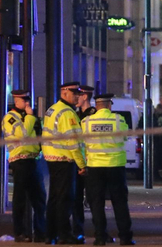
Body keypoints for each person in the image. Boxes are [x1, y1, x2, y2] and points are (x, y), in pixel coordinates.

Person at [83, 94, 135, 246]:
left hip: (95, 167)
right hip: (115, 166)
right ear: (109, 105)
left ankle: (100, 237)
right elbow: (125, 137)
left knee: (96, 203)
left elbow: (82, 142)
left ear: (97, 105)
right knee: (119, 202)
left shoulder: (86, 122)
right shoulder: (118, 120)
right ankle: (125, 237)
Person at [42, 82, 87, 245]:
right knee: (64, 199)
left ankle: (50, 234)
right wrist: (82, 165)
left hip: (52, 158)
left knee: (54, 198)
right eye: (74, 93)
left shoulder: (52, 109)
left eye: (78, 93)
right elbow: (74, 143)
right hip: (64, 160)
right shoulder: (68, 114)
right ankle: (64, 234)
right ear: (64, 92)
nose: (77, 96)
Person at [3, 90, 47, 243]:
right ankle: (19, 232)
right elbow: (23, 134)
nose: (27, 104)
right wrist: (30, 117)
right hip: (19, 161)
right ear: (16, 102)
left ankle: (40, 232)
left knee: (40, 198)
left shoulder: (30, 117)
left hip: (33, 160)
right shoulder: (10, 118)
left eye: (28, 101)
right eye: (24, 101)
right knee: (20, 199)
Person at [72, 85, 97, 244]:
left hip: (92, 162)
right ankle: (78, 231)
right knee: (76, 199)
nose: (76, 99)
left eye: (78, 96)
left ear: (85, 97)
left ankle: (100, 231)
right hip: (78, 162)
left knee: (95, 199)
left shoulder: (94, 115)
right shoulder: (74, 114)